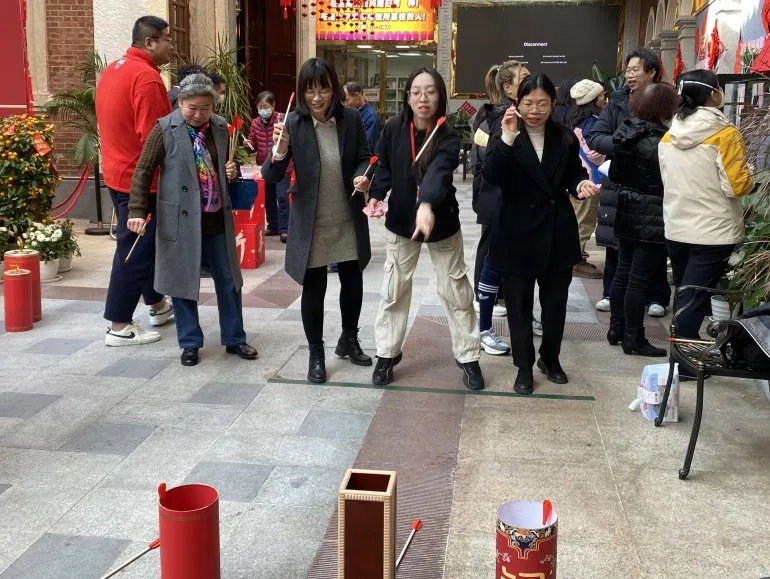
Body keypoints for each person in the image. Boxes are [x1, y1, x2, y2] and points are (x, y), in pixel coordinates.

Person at [127, 74, 258, 366]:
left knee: (229, 281)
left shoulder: (221, 127)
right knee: (183, 283)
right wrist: (136, 211)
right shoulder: (164, 129)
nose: (199, 114)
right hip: (181, 220)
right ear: (180, 103)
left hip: (215, 219)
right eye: (192, 108)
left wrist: (233, 170)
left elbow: (228, 166)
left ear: (214, 105)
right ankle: (189, 342)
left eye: (205, 108)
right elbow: (143, 172)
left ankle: (235, 338)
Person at [367, 67, 485, 391]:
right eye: (416, 91)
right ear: (407, 96)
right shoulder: (393, 128)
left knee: (456, 290)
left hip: (441, 221)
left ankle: (469, 356)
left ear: (440, 97)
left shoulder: (446, 134)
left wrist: (427, 204)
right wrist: (376, 195)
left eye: (430, 91)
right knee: (394, 290)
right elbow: (385, 169)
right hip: (401, 222)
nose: (423, 98)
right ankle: (387, 354)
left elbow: (439, 172)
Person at [483, 74, 599, 395]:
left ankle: (550, 358)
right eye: (528, 103)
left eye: (543, 103)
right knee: (519, 307)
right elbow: (492, 176)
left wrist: (579, 184)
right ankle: (523, 366)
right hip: (516, 231)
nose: (535, 110)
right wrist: (506, 138)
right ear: (516, 103)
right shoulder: (505, 133)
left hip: (555, 231)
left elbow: (573, 173)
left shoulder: (564, 137)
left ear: (554, 104)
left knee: (555, 304)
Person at [262, 58, 373, 384]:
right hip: (312, 222)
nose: (317, 96)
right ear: (301, 92)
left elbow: (366, 157)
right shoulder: (292, 124)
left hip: (346, 218)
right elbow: (271, 174)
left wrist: (361, 177)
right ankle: (316, 351)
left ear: (333, 89)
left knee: (353, 283)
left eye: (323, 88)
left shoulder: (350, 119)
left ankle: (349, 340)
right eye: (310, 89)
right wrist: (280, 150)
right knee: (315, 288)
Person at [659, 70, 753, 347]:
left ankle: (682, 349)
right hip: (713, 231)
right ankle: (685, 359)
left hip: (676, 226)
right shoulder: (726, 134)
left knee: (685, 292)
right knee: (695, 295)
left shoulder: (669, 135)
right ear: (713, 94)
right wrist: (748, 174)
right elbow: (737, 186)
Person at [96, 16, 174, 346]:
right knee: (135, 249)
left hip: (115, 172)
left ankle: (156, 305)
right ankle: (119, 325)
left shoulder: (114, 68)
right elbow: (157, 139)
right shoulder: (147, 79)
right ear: (150, 43)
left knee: (143, 245)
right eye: (167, 39)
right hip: (139, 182)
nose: (171, 45)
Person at [587, 49, 671, 314]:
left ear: (652, 72)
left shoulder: (667, 99)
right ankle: (611, 293)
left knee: (654, 238)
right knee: (616, 240)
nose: (630, 75)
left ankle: (656, 296)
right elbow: (596, 136)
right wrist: (626, 146)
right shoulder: (617, 101)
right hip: (618, 181)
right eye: (628, 70)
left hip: (655, 183)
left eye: (636, 70)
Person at [607, 83, 679, 357]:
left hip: (627, 210)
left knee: (623, 273)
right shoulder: (662, 142)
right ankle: (633, 337)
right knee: (638, 280)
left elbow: (614, 174)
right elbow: (669, 180)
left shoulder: (626, 134)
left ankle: (616, 328)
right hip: (652, 214)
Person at [477, 61, 544, 340]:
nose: (531, 79)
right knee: (492, 256)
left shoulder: (520, 113)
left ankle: (513, 311)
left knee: (503, 258)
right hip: (499, 200)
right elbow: (488, 161)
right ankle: (484, 322)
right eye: (524, 77)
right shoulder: (504, 115)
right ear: (508, 87)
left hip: (509, 201)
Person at [471, 65, 510, 356]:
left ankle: (504, 297)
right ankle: (485, 298)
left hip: (499, 196)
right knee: (488, 247)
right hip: (490, 194)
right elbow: (481, 160)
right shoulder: (487, 116)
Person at [568, 79, 606, 279]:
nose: (603, 99)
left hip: (579, 176)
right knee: (585, 219)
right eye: (600, 95)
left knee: (578, 217)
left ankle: (577, 256)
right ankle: (575, 260)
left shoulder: (575, 119)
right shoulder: (592, 121)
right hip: (588, 178)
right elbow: (593, 152)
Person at [245, 91, 292, 242]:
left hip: (283, 165)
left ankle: (285, 229)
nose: (262, 109)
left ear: (273, 106)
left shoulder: (283, 119)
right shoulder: (255, 123)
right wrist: (248, 145)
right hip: (264, 166)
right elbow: (252, 145)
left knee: (282, 196)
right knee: (268, 197)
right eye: (260, 107)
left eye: (266, 106)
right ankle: (273, 226)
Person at [343, 81, 381, 152]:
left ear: (357, 96)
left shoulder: (371, 118)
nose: (345, 104)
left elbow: (368, 147)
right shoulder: (350, 113)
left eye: (347, 100)